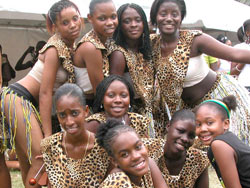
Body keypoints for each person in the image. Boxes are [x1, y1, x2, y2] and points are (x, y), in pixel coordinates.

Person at [0, 0, 82, 187]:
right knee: (41, 157)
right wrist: (48, 135)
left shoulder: (69, 47)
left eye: (75, 19)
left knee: (28, 162)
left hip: (19, 100)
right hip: (17, 98)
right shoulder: (55, 48)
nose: (72, 25)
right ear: (54, 27)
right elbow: (45, 93)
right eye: (65, 22)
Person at [150, 0, 250, 142]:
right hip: (188, 111)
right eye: (163, 14)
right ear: (155, 17)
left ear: (181, 17)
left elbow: (235, 54)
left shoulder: (195, 39)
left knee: (225, 148)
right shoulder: (151, 44)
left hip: (217, 100)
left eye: (174, 14)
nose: (169, 18)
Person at [41, 83, 109, 187]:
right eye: (62, 115)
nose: (69, 122)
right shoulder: (50, 146)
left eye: (74, 113)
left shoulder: (103, 147)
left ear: (86, 111)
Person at [109, 3, 154, 117]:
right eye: (127, 21)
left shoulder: (146, 50)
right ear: (120, 25)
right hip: (131, 115)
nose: (133, 25)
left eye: (138, 20)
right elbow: (115, 92)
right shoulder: (119, 54)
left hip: (151, 113)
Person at [195, 95, 250, 187]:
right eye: (198, 124)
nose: (203, 129)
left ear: (226, 124)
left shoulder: (219, 145)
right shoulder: (224, 142)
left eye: (210, 122)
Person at [97, 119, 168, 188]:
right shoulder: (117, 180)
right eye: (124, 154)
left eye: (138, 147)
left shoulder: (149, 164)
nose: (136, 156)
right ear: (114, 161)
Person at [73, 0, 118, 106]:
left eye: (113, 17)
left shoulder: (105, 41)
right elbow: (100, 93)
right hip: (87, 106)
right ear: (90, 18)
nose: (110, 22)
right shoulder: (91, 47)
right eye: (102, 18)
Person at [85, 74, 150, 138]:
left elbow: (148, 147)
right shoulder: (94, 123)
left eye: (123, 95)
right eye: (111, 95)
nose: (118, 100)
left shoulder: (138, 120)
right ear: (102, 99)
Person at [158, 109, 209, 188]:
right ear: (168, 126)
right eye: (181, 131)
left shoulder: (199, 160)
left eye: (191, 136)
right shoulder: (149, 151)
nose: (185, 139)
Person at [231, 19, 250, 91]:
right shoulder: (238, 48)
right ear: (248, 33)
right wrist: (244, 61)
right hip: (243, 88)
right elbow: (232, 74)